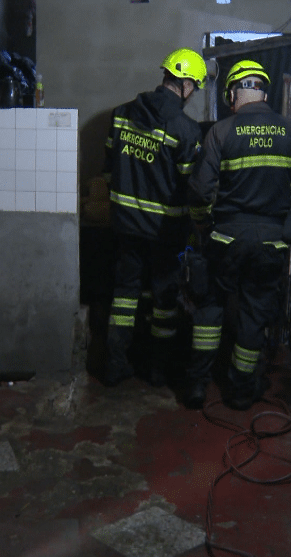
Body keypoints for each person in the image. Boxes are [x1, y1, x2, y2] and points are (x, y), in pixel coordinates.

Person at [184, 60, 291, 410]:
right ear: (264, 91)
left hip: (225, 239)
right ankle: (241, 391)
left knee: (210, 306)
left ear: (232, 93)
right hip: (271, 241)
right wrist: (279, 187)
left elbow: (200, 191)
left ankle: (198, 385)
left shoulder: (221, 132)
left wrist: (202, 226)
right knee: (254, 314)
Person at [103, 48, 207, 388]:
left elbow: (107, 170)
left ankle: (115, 364)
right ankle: (159, 370)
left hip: (124, 226)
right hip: (165, 231)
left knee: (124, 294)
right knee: (164, 300)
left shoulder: (122, 113)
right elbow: (192, 185)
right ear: (188, 84)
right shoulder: (186, 129)